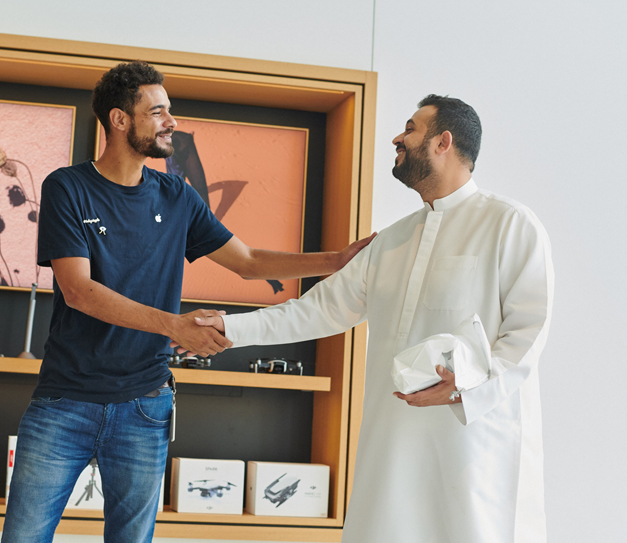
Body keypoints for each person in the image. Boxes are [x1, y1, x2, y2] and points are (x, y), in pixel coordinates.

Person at [1, 60, 375, 543]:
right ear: (119, 120)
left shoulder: (176, 195)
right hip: (63, 403)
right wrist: (175, 326)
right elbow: (79, 291)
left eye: (169, 111)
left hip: (144, 406)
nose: (171, 122)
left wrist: (339, 259)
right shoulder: (67, 188)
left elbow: (248, 261)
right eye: (157, 112)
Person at [190, 95, 554, 542]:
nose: (398, 139)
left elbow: (528, 332)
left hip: (474, 442)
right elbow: (318, 310)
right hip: (392, 438)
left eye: (411, 129)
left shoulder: (511, 224)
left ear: (444, 141)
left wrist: (466, 386)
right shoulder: (393, 239)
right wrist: (229, 328)